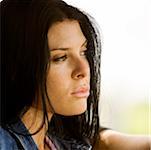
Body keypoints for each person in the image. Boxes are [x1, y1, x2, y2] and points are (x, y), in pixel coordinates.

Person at [0, 0, 150, 149]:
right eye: (60, 57)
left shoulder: (62, 139)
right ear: (15, 67)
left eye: (83, 52)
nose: (83, 70)